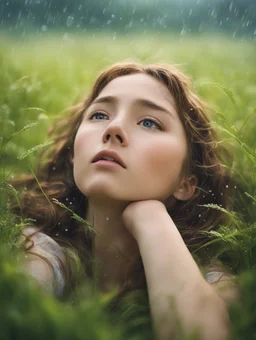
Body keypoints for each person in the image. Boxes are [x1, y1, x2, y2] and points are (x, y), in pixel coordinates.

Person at [11, 62, 240, 340]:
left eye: (148, 122)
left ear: (186, 182)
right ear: (74, 154)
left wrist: (151, 218)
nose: (113, 128)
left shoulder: (209, 281)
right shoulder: (37, 250)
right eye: (98, 115)